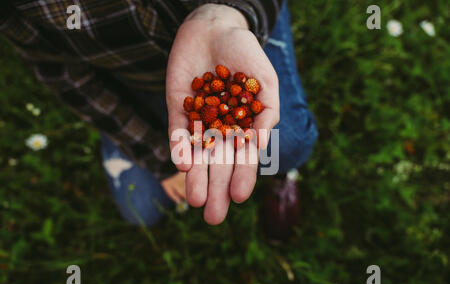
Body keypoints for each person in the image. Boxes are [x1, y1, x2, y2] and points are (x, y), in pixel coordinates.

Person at [0, 0, 317, 237]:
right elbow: (62, 73)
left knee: (283, 143)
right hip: (132, 82)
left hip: (235, 26)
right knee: (141, 209)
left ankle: (281, 174)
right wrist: (158, 158)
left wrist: (229, 14)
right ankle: (143, 141)